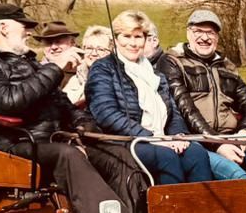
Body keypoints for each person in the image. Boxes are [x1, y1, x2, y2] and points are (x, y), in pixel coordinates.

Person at [0, 3, 131, 213]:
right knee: (67, 155)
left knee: (117, 154)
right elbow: (8, 102)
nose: (29, 32)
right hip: (9, 144)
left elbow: (64, 105)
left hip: (48, 140)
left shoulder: (29, 63)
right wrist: (55, 68)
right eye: (24, 26)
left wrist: (86, 128)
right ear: (4, 28)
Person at [85, 11, 213, 191]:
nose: (132, 43)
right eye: (126, 36)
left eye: (138, 37)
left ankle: (201, 206)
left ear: (145, 39)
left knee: (196, 153)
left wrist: (178, 134)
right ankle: (169, 208)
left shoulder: (154, 73)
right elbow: (106, 114)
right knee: (166, 157)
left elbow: (173, 111)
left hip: (161, 138)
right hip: (122, 141)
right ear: (116, 39)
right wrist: (151, 137)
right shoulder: (103, 68)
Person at [164, 8, 246, 180]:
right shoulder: (173, 62)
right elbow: (186, 109)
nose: (205, 38)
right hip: (198, 144)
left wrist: (244, 131)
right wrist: (218, 144)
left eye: (210, 33)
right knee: (240, 178)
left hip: (230, 139)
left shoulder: (226, 66)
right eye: (198, 31)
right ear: (188, 33)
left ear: (217, 37)